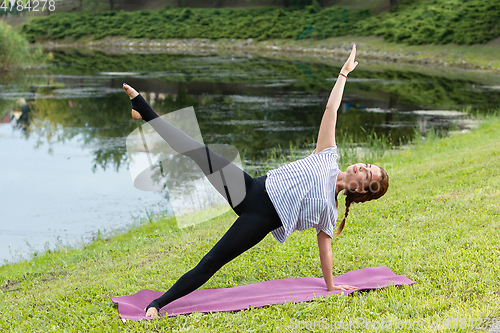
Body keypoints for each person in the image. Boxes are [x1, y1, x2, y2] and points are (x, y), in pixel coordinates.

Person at [122, 44, 389, 318]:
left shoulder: (329, 212)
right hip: (250, 188)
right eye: (367, 165)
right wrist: (343, 73)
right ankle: (144, 110)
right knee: (197, 150)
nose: (361, 166)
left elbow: (326, 249)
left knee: (212, 262)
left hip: (260, 219)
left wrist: (331, 286)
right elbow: (331, 110)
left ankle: (157, 304)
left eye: (367, 174)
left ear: (359, 188)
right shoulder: (327, 155)